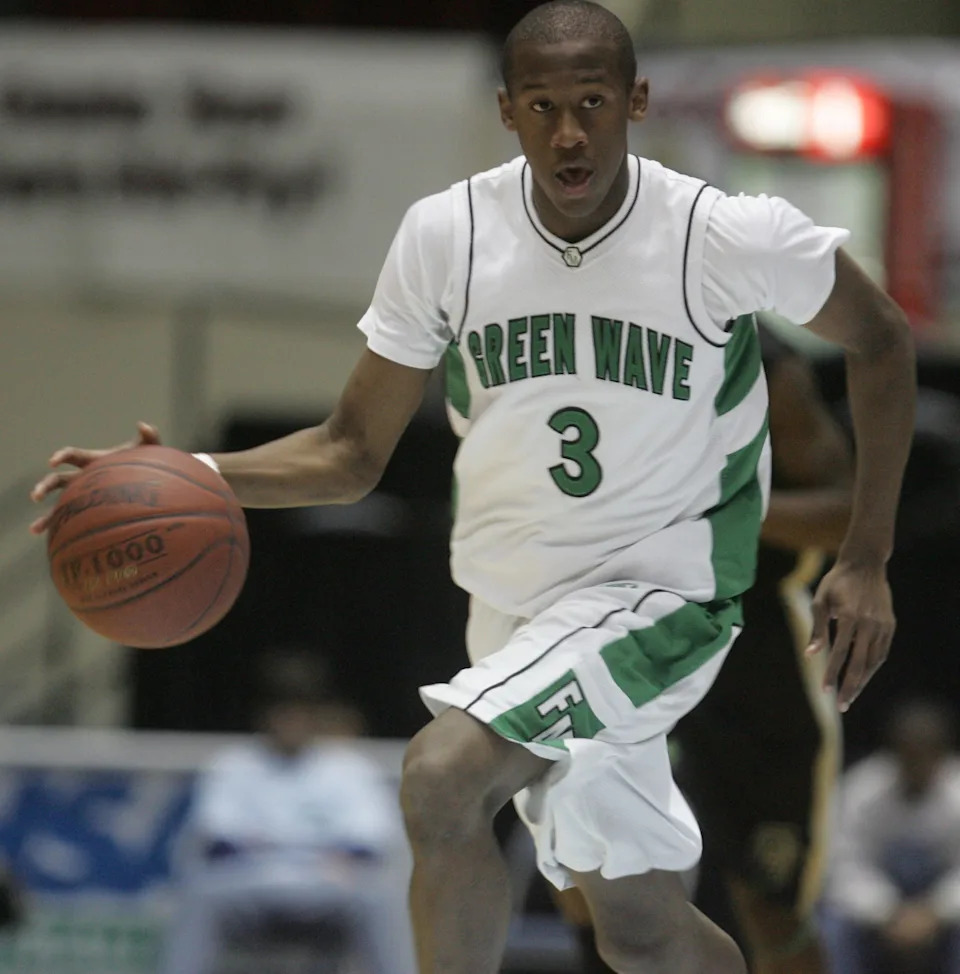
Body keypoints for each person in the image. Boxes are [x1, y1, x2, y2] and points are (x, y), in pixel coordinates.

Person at [31, 3, 915, 972]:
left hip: (659, 595)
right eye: (543, 106)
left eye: (592, 103)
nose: (570, 132)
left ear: (637, 101)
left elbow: (880, 336)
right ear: (506, 111)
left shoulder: (721, 234)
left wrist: (865, 556)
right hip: (509, 611)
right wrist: (184, 474)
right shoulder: (446, 236)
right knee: (640, 926)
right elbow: (347, 448)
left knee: (441, 775)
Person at [557, 321, 850, 974]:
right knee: (590, 876)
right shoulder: (577, 335)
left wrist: (714, 506)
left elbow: (842, 513)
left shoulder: (766, 364)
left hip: (749, 654)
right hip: (617, 630)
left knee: (771, 902)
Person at [158, 651, 411, 974]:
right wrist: (313, 852)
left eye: (300, 710)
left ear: (315, 715)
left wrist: (275, 847)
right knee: (201, 894)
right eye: (281, 710)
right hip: (252, 886)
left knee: (379, 899)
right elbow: (218, 842)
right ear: (263, 715)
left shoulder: (349, 768)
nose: (291, 720)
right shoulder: (234, 765)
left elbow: (369, 846)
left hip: (327, 891)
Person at [820, 699, 960, 974]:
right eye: (909, 756)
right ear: (894, 753)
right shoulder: (862, 789)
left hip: (942, 914)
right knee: (831, 925)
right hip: (878, 913)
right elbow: (842, 867)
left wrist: (934, 913)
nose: (917, 765)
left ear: (941, 755)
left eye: (925, 756)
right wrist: (887, 912)